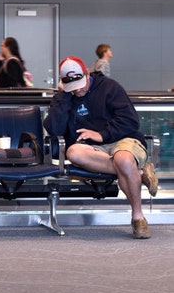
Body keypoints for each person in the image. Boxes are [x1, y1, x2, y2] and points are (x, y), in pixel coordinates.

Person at [43, 56, 158, 239]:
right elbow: (54, 129)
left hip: (123, 139)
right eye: (72, 88)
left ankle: (138, 217)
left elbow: (130, 121)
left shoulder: (109, 87)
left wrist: (101, 134)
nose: (78, 89)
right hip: (92, 149)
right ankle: (140, 172)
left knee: (123, 159)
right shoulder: (65, 97)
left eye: (80, 83)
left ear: (87, 74)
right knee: (74, 152)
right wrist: (63, 96)